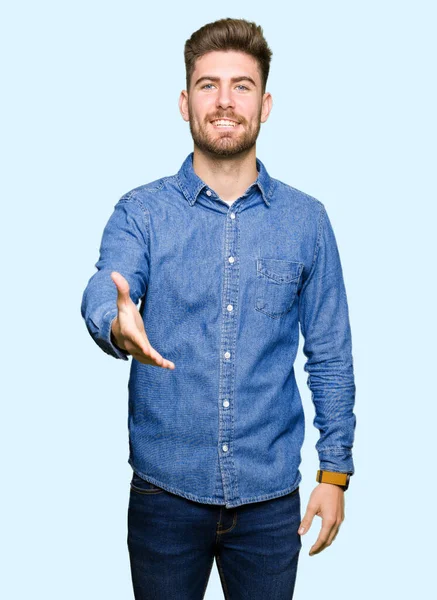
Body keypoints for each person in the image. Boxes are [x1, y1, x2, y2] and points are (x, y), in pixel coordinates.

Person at [81, 17, 356, 600]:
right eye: (208, 85)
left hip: (269, 501)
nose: (225, 102)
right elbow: (106, 286)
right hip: (164, 495)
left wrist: (335, 473)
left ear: (266, 103)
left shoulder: (307, 222)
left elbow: (330, 354)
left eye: (242, 85)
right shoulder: (142, 212)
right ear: (185, 102)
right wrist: (115, 322)